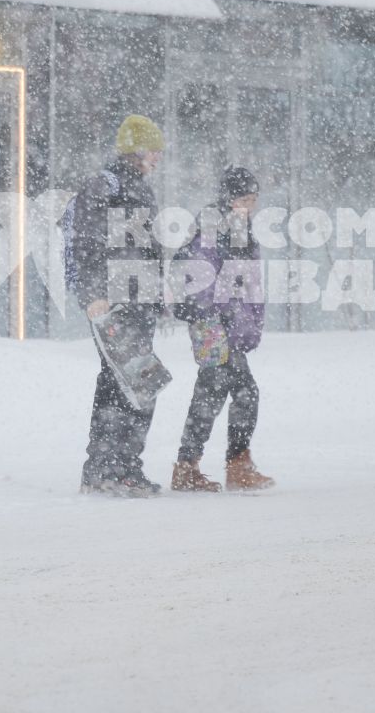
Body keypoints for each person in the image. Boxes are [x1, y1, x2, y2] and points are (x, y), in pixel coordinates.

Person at [70, 115, 168, 497]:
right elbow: (88, 242)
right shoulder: (106, 185)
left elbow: (147, 249)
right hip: (115, 301)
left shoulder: (138, 188)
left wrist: (157, 294)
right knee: (135, 381)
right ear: (138, 150)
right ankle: (117, 468)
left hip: (135, 299)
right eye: (154, 151)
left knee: (122, 382)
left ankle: (109, 469)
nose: (158, 158)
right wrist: (94, 294)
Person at [171, 166, 274, 494]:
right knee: (240, 392)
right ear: (229, 199)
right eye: (245, 199)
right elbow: (202, 277)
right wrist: (218, 318)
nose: (251, 205)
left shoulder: (240, 231)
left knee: (213, 394)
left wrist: (247, 323)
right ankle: (229, 465)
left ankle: (195, 466)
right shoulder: (214, 230)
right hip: (213, 326)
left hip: (228, 327)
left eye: (254, 199)